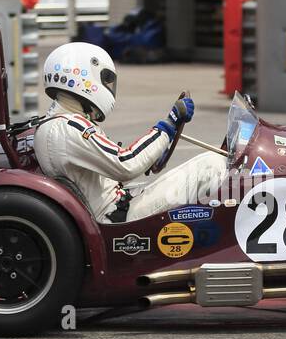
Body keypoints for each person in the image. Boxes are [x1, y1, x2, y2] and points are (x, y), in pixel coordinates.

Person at [32, 42, 227, 223]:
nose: (108, 87)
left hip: (117, 203)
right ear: (82, 78)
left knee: (210, 161)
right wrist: (169, 124)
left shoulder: (56, 125)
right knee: (213, 165)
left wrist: (155, 154)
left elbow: (110, 167)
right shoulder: (69, 128)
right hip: (116, 215)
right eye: (105, 79)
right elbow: (125, 164)